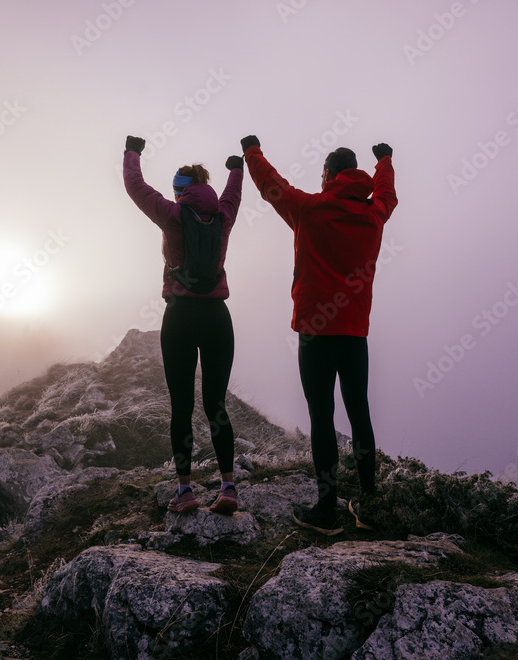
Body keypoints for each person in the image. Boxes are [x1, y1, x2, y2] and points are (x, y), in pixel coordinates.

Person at [240, 135, 398, 535]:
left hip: (315, 330)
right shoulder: (373, 214)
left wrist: (252, 151)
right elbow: (387, 194)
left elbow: (271, 185)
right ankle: (369, 505)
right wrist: (385, 161)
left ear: (328, 174)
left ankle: (326, 511)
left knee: (321, 416)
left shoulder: (310, 209)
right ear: (355, 174)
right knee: (359, 413)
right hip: (354, 332)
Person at [123, 135, 243, 514]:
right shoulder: (224, 214)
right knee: (216, 404)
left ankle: (185, 491)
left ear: (179, 192)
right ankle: (227, 487)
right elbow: (234, 192)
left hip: (179, 316)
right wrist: (237, 167)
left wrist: (132, 152)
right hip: (217, 318)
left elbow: (135, 187)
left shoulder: (171, 215)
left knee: (181, 405)